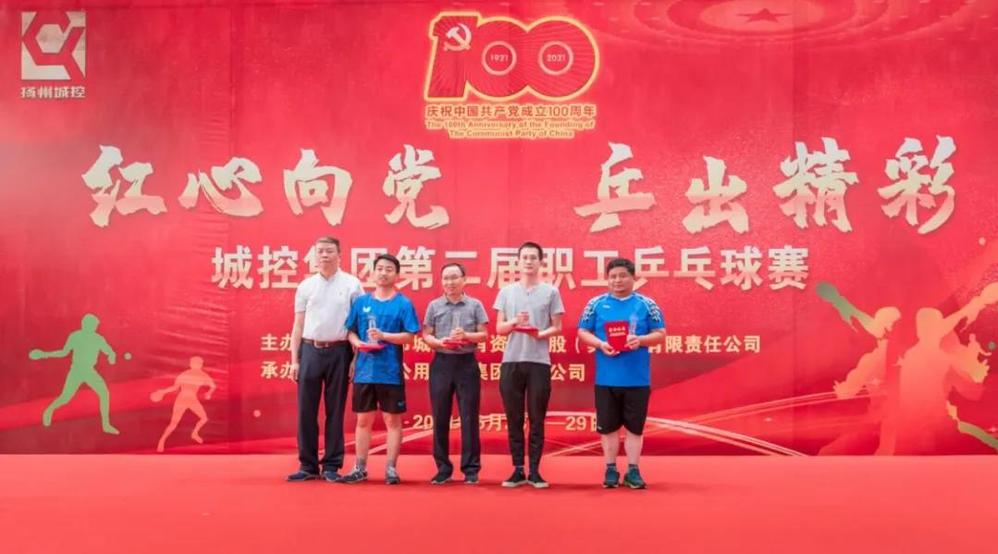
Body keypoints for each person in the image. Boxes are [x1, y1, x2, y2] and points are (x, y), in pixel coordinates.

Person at [576, 258, 665, 489]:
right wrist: (600, 344)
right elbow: (583, 331)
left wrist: (640, 340)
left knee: (635, 427)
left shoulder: (647, 304)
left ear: (633, 278)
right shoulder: (595, 304)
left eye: (623, 275)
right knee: (608, 427)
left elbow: (660, 333)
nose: (617, 280)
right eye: (613, 276)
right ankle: (610, 468)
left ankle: (633, 470)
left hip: (637, 378)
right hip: (606, 378)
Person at [286, 236, 363, 482]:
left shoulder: (352, 284)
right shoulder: (306, 286)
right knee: (306, 411)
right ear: (314, 256)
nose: (324, 255)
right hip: (310, 350)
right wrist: (295, 360)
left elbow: (359, 325)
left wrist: (355, 360)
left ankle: (331, 465)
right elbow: (298, 325)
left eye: (329, 251)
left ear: (339, 255)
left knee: (335, 410)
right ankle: (307, 465)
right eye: (320, 251)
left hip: (340, 351)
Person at [341, 254, 420, 485]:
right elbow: (350, 331)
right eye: (380, 269)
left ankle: (391, 469)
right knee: (363, 421)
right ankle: (360, 468)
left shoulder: (403, 304)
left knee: (392, 422)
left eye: (389, 269)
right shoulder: (361, 302)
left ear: (397, 275)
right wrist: (357, 343)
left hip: (390, 372)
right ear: (373, 273)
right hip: (364, 371)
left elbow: (410, 337)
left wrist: (384, 336)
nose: (383, 273)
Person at [493, 241, 564, 488]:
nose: (529, 261)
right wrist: (514, 322)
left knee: (537, 418)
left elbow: (557, 327)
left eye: (533, 257)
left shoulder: (551, 292)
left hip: (538, 362)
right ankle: (517, 469)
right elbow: (499, 329)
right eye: (525, 257)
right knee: (513, 417)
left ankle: (534, 470)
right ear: (518, 261)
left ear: (541, 262)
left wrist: (539, 334)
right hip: (511, 361)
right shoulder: (506, 292)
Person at [422, 263, 489, 485]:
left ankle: (471, 469)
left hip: (466, 364)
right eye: (446, 278)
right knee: (440, 416)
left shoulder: (475, 305)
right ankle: (443, 468)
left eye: (454, 277)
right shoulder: (434, 305)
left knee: (469, 417)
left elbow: (484, 334)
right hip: (441, 363)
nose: (450, 282)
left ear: (464, 280)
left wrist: (466, 336)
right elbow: (426, 335)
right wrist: (439, 342)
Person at [30, 313, 120, 435]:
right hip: (76, 371)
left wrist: (112, 356)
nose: (93, 328)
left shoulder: (98, 339)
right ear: (84, 324)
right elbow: (64, 352)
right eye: (91, 325)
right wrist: (44, 354)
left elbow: (110, 351)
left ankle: (106, 425)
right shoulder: (75, 336)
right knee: (65, 398)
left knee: (104, 394)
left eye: (95, 326)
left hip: (90, 371)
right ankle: (49, 410)